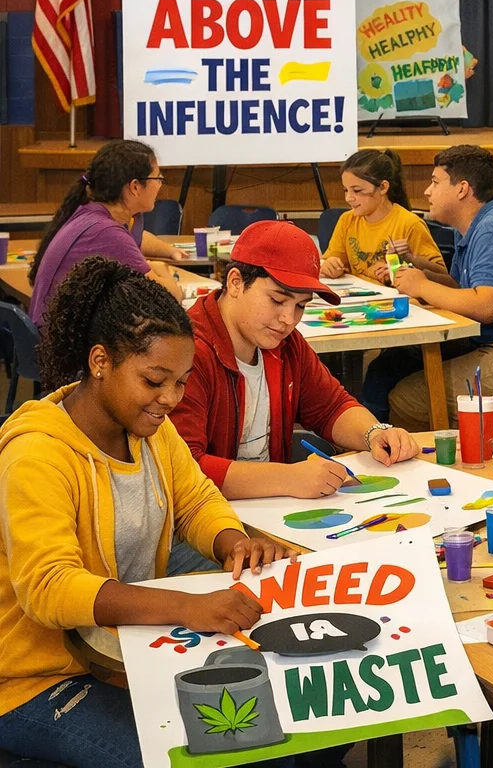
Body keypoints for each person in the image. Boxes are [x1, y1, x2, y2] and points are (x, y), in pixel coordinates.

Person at [0, 257, 290, 767]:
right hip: (32, 680)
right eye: (154, 380)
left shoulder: (149, 428)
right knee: (196, 754)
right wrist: (185, 607)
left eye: (180, 382)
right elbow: (49, 588)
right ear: (100, 362)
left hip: (118, 653)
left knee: (266, 731)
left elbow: (195, 499)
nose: (170, 399)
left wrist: (233, 541)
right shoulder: (36, 455)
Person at [171, 220, 419, 504]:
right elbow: (183, 468)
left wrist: (373, 433)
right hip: (205, 513)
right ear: (236, 282)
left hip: (267, 508)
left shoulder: (284, 343)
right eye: (277, 301)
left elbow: (331, 407)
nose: (289, 319)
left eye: (301, 305)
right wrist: (289, 478)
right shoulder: (187, 352)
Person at [360, 145, 493, 428]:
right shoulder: (478, 226)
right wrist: (421, 273)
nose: (427, 191)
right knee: (393, 366)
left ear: (462, 189)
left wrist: (422, 286)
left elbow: (486, 306)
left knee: (409, 399)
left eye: (435, 182)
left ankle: (436, 455)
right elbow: (462, 288)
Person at [28, 139, 181, 328]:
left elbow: (137, 240)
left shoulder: (90, 214)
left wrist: (165, 255)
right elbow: (168, 298)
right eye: (157, 178)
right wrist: (166, 273)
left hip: (52, 334)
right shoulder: (107, 232)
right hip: (59, 341)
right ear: (135, 187)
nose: (160, 184)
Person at [319, 149, 445, 283]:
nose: (348, 198)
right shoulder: (347, 220)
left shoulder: (409, 224)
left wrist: (406, 264)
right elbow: (331, 261)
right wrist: (329, 265)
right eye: (345, 190)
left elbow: (442, 274)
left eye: (357, 190)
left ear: (383, 187)